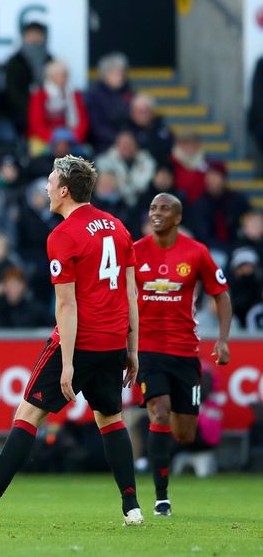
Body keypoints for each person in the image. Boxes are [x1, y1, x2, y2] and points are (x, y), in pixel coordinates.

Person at [0, 155, 142, 526]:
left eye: (50, 181)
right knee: (111, 418)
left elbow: (66, 305)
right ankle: (132, 507)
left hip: (80, 342)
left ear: (64, 190)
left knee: (28, 414)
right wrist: (132, 349)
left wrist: (67, 363)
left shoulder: (63, 235)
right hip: (113, 342)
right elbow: (131, 293)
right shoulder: (117, 226)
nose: (46, 187)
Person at [133, 193, 232, 517]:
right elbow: (120, 296)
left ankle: (162, 447)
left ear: (177, 218)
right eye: (153, 208)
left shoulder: (196, 252)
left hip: (185, 352)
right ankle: (162, 497)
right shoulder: (135, 252)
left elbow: (221, 294)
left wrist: (223, 339)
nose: (156, 213)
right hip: (148, 350)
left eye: (164, 209)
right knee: (158, 412)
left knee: (184, 433)